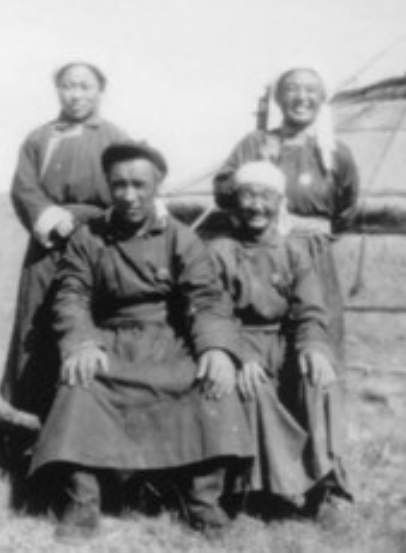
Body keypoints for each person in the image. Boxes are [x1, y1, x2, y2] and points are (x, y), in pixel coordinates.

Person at [27, 142, 254, 540]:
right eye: (119, 185)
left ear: (157, 186)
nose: (129, 196)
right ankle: (83, 502)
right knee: (80, 385)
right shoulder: (88, 238)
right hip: (109, 339)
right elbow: (72, 295)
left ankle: (203, 502)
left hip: (169, 340)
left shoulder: (181, 238)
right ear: (108, 186)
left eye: (139, 185)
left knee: (213, 383)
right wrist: (81, 342)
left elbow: (206, 298)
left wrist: (216, 349)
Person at [209, 161, 351, 518]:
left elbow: (310, 312)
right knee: (252, 387)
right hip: (241, 343)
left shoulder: (294, 252)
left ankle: (327, 484)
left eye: (265, 197)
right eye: (247, 196)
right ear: (234, 202)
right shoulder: (219, 252)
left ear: (279, 202)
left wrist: (314, 348)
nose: (256, 206)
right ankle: (262, 491)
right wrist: (237, 355)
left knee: (320, 379)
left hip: (284, 345)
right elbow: (214, 314)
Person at [0, 62, 129, 419]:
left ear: (101, 91)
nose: (77, 94)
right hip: (49, 247)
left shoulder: (117, 139)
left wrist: (100, 228)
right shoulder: (40, 139)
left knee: (94, 323)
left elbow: (131, 188)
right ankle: (46, 423)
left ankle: (95, 420)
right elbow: (24, 188)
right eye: (69, 86)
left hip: (101, 244)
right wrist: (53, 221)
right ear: (58, 91)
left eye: (86, 86)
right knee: (42, 325)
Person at [213, 67, 360, 368]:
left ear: (322, 97)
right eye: (292, 88)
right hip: (262, 253)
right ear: (279, 97)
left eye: (310, 90)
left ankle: (314, 413)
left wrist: (310, 234)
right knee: (265, 335)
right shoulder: (255, 143)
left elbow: (346, 209)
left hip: (315, 256)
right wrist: (257, 166)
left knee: (315, 337)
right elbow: (223, 192)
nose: (302, 97)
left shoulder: (335, 152)